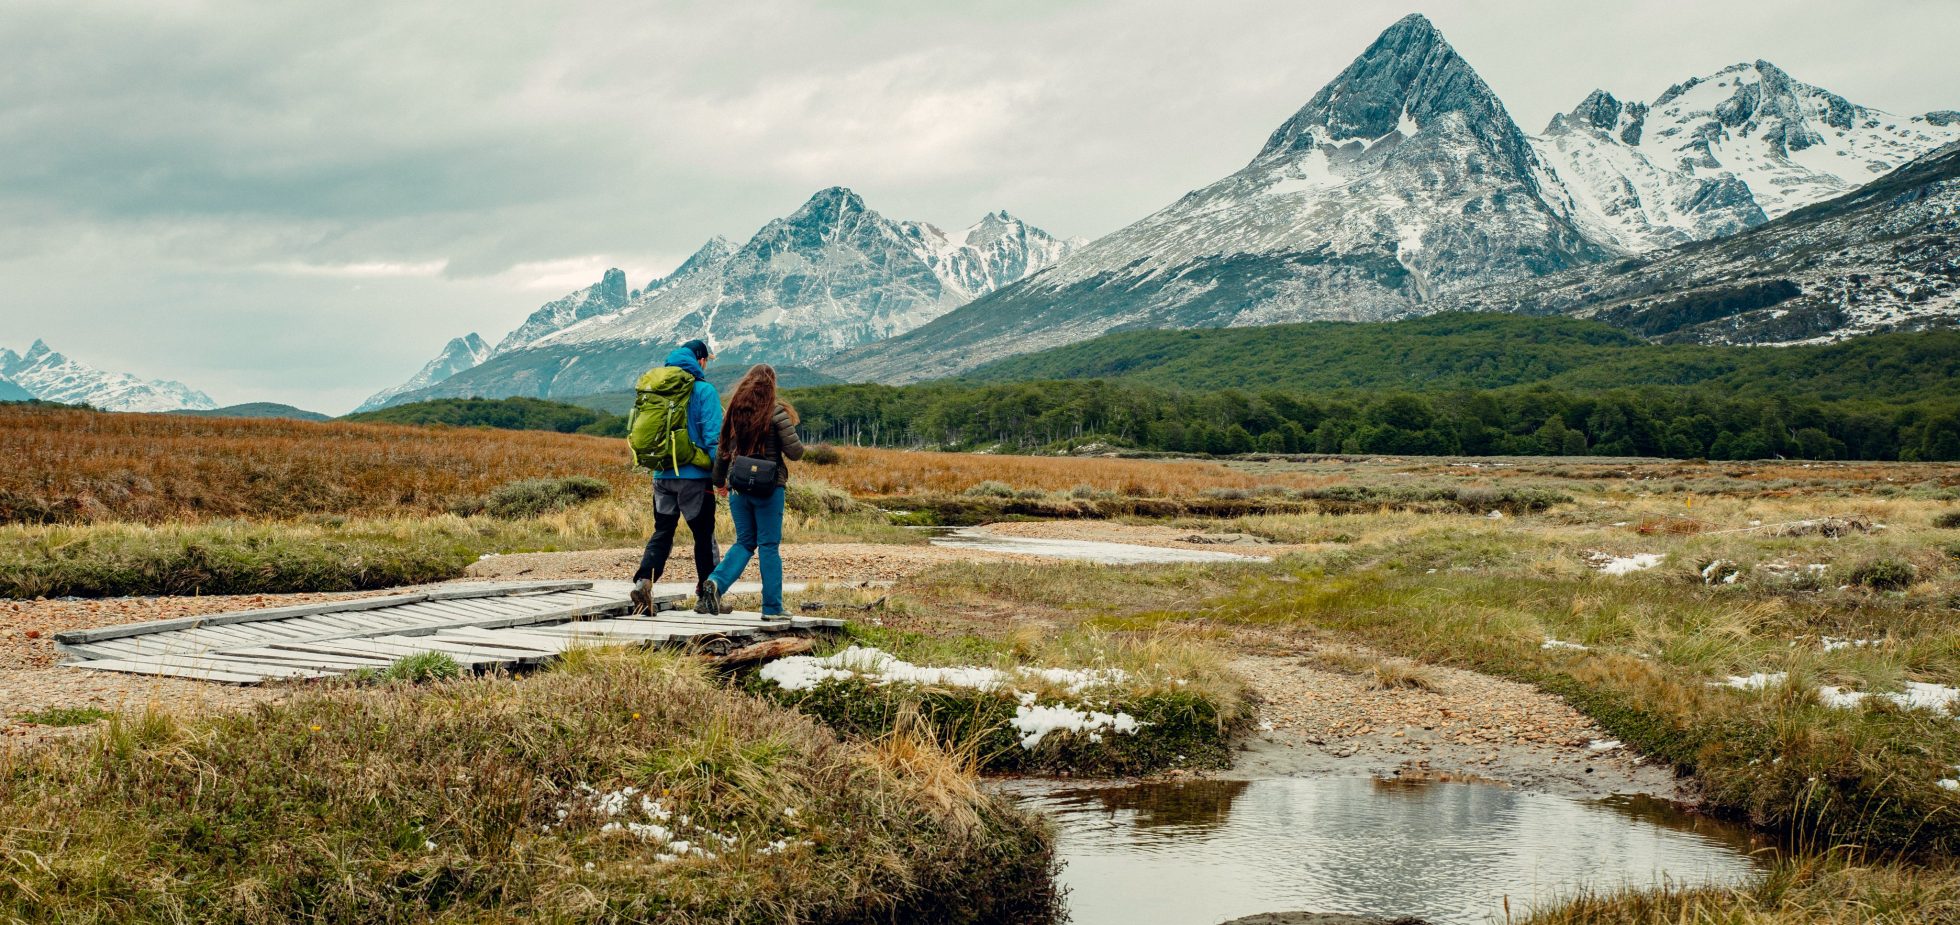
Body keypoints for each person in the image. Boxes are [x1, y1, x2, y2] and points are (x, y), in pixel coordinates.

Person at [695, 364, 803, 619]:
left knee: (744, 542)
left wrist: (719, 481)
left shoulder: (733, 412)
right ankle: (772, 608)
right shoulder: (777, 413)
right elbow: (796, 453)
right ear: (772, 386)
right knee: (768, 545)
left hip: (738, 488)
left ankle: (716, 582)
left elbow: (722, 451)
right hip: (769, 488)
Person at [630, 339, 722, 613]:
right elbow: (713, 438)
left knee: (663, 531)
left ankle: (644, 581)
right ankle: (707, 597)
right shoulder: (704, 390)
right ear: (701, 361)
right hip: (694, 478)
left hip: (661, 474)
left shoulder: (659, 388)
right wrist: (721, 477)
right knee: (703, 536)